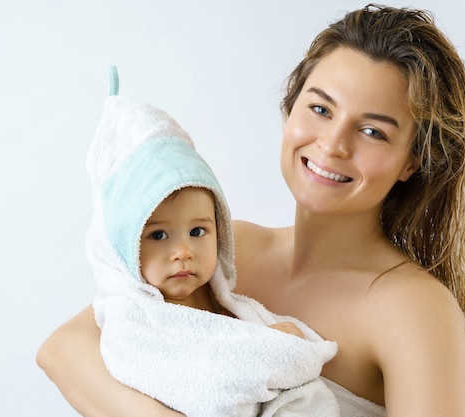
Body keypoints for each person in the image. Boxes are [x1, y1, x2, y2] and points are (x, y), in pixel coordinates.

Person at [37, 4, 465, 417]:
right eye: (320, 108)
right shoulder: (225, 245)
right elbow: (64, 349)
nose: (333, 144)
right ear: (290, 107)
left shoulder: (412, 309)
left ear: (411, 161)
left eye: (374, 132)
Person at [79, 68, 339, 417]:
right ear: (127, 248)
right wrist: (278, 349)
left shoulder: (224, 301)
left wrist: (274, 338)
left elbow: (281, 367)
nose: (183, 251)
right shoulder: (135, 323)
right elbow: (210, 382)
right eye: (158, 235)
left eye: (198, 232)